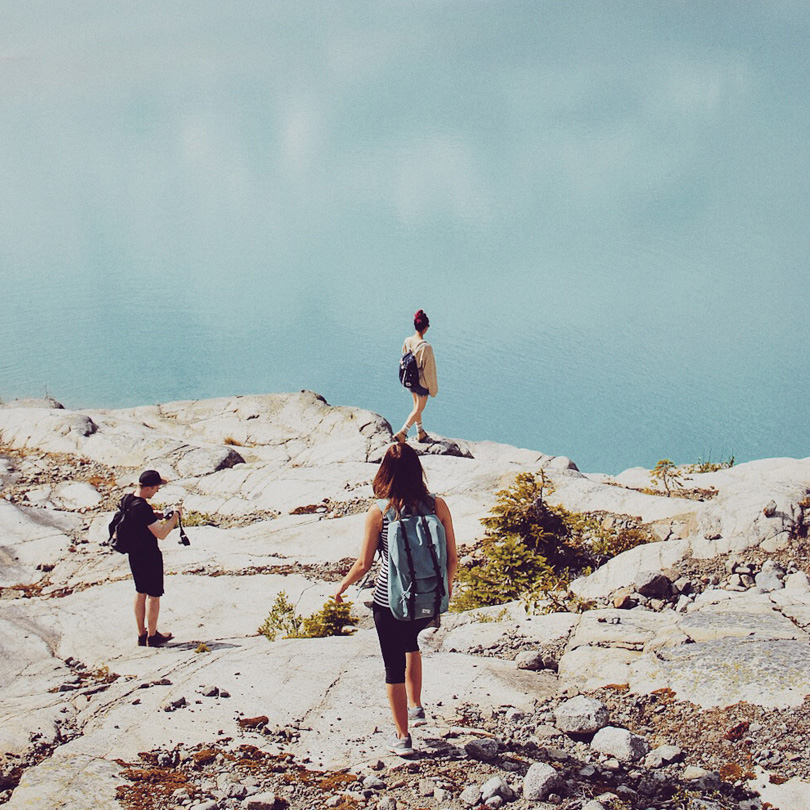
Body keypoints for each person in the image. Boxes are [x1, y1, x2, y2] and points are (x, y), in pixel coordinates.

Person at [334, 443, 458, 756]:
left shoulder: (380, 511)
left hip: (389, 602)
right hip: (427, 597)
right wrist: (446, 589)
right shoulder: (437, 505)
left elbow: (363, 564)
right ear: (418, 470)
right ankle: (416, 708)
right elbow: (453, 558)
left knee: (392, 667)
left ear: (385, 473)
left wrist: (341, 587)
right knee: (412, 643)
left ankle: (403, 738)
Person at [127, 469, 182, 647]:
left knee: (140, 592)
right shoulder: (142, 508)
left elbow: (139, 518)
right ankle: (153, 636)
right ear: (149, 488)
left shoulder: (129, 499)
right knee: (154, 595)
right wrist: (175, 517)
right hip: (149, 556)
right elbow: (161, 533)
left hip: (134, 554)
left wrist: (155, 515)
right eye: (157, 487)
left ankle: (141, 635)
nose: (158, 490)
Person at [394, 309, 438, 443]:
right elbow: (429, 371)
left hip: (410, 380)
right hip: (421, 383)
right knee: (419, 408)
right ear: (425, 328)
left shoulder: (407, 341)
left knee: (416, 407)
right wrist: (433, 390)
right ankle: (403, 432)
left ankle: (421, 432)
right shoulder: (426, 347)